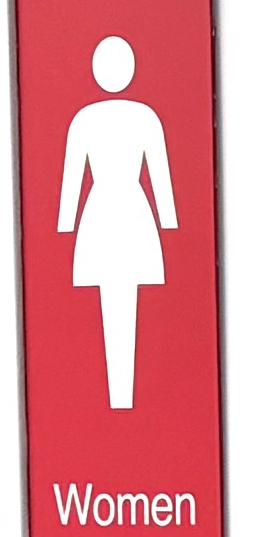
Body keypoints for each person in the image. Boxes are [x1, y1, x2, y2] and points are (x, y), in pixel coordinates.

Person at [58, 31, 177, 410]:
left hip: (106, 212)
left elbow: (73, 182)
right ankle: (120, 399)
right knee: (118, 301)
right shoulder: (143, 117)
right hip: (127, 210)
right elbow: (158, 178)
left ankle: (122, 399)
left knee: (121, 300)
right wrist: (168, 220)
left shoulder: (87, 119)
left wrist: (66, 222)